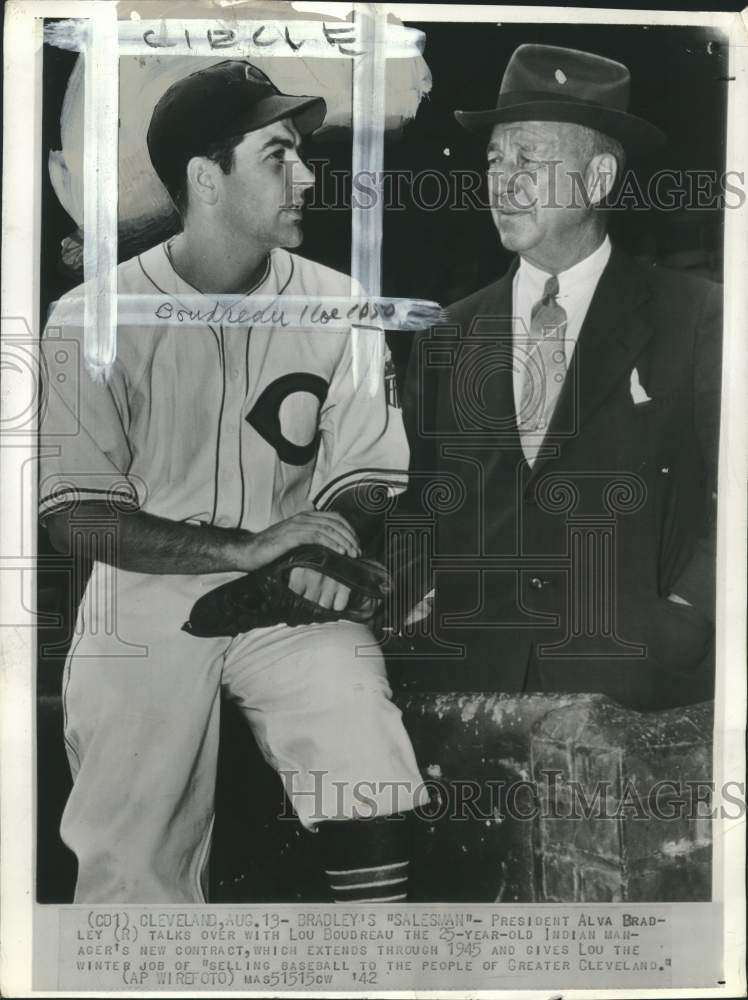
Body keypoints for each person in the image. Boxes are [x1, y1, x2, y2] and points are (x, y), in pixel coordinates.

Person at [40, 59, 427, 904]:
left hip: (287, 593)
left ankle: (382, 969)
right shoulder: (87, 316)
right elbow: (79, 516)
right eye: (277, 155)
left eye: (302, 153)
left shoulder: (339, 302)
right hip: (143, 599)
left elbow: (366, 473)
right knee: (131, 858)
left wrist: (329, 547)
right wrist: (249, 544)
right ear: (204, 179)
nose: (306, 175)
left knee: (364, 752)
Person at [402, 44, 721, 710]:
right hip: (472, 701)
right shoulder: (446, 335)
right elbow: (423, 506)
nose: (502, 181)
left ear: (599, 177)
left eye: (529, 160)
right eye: (494, 160)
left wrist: (688, 614)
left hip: (639, 695)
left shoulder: (698, 317)